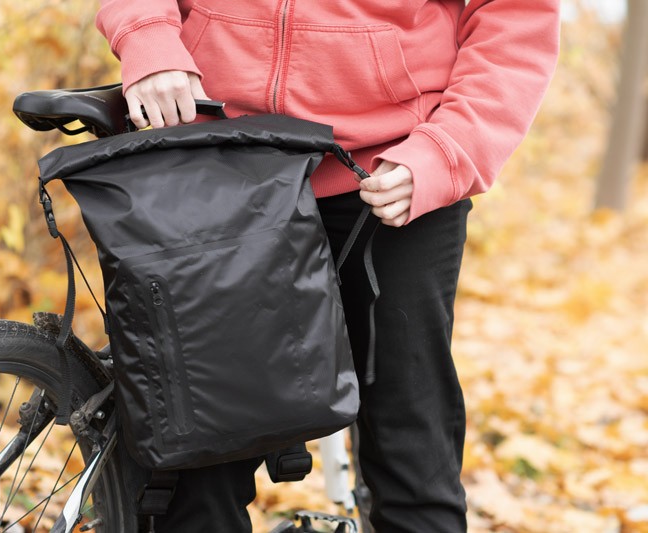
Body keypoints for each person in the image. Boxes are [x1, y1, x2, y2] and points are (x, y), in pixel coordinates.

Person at [95, 1, 560, 531]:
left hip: (388, 171)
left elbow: (515, 21)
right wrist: (148, 37)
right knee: (195, 468)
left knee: (410, 449)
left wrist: (447, 150)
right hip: (215, 149)